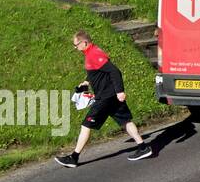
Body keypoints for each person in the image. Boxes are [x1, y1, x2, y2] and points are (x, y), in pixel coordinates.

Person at [54, 31, 153, 167]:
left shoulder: (93, 54)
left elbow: (114, 71)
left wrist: (120, 91)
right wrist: (87, 82)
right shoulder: (92, 52)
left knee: (86, 124)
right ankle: (143, 148)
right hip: (109, 96)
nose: (75, 48)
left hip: (106, 97)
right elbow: (98, 70)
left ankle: (74, 158)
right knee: (125, 121)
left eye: (76, 45)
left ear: (84, 43)